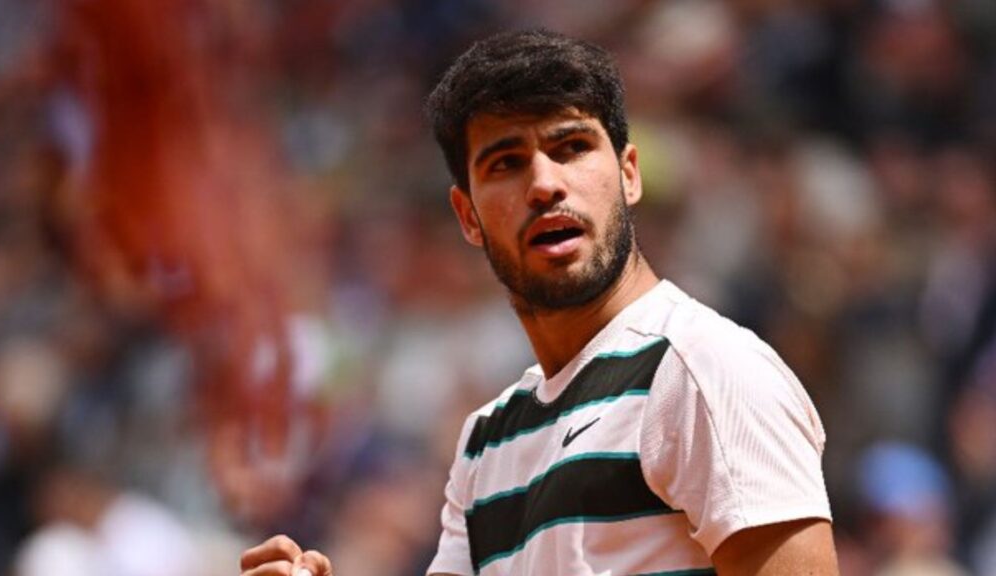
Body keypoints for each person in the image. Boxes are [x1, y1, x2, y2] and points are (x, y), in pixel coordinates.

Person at [240, 29, 839, 576]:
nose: (546, 183)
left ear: (629, 174)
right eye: (506, 162)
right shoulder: (487, 439)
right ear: (468, 216)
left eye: (572, 146)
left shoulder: (704, 372)